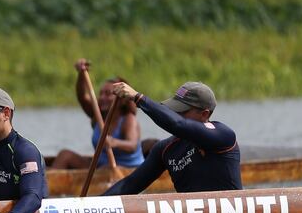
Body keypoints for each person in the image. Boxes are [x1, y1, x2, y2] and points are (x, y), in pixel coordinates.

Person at [103, 81, 241, 195]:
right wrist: (92, 206)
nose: (173, 114)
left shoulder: (223, 136)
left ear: (204, 114)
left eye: (181, 110)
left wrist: (138, 98)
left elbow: (178, 124)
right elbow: (130, 185)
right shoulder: (165, 150)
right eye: (173, 109)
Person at [50, 58, 143, 169]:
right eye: (101, 93)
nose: (103, 98)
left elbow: (132, 145)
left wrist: (113, 142)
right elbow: (83, 97)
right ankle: (44, 183)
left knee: (105, 169)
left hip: (129, 169)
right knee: (65, 155)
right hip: (101, 168)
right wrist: (81, 74)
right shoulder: (98, 116)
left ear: (121, 100)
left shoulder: (128, 119)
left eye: (108, 94)